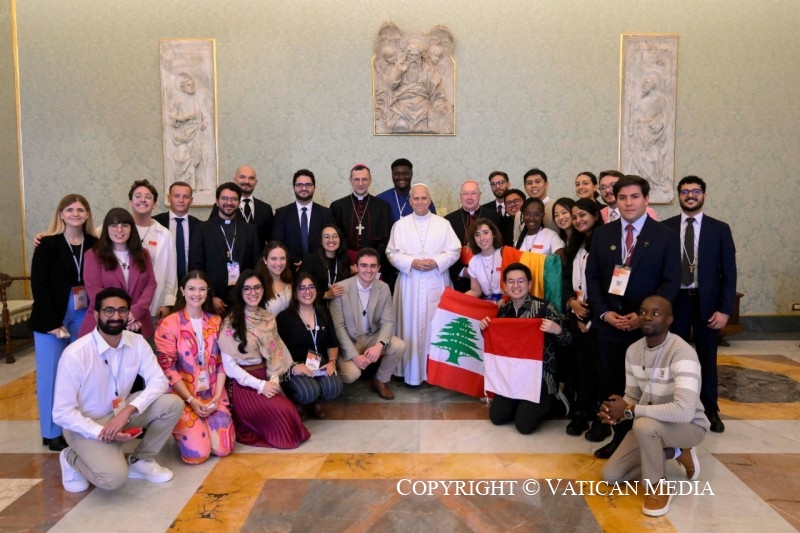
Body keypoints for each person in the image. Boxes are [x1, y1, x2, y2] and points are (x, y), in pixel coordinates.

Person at [585, 175, 680, 459]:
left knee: (647, 386)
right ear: (615, 200)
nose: (629, 203)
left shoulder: (664, 235)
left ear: (646, 199)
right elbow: (592, 278)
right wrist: (604, 312)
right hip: (610, 326)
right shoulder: (603, 234)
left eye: (635, 197)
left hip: (647, 330)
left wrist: (644, 318)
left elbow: (671, 281)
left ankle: (652, 441)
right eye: (623, 197)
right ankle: (620, 440)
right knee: (613, 382)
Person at [53, 287, 184, 492]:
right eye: (109, 311)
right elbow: (61, 413)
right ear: (97, 315)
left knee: (172, 404)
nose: (116, 316)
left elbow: (159, 381)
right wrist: (102, 432)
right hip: (85, 426)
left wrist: (126, 413)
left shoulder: (137, 342)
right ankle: (70, 457)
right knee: (113, 479)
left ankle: (142, 460)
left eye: (122, 310)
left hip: (120, 414)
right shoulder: (75, 355)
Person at [600, 295, 708, 517]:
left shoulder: (682, 352)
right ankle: (676, 452)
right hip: (649, 424)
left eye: (656, 313)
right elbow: (632, 394)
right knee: (611, 475)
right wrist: (615, 411)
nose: (647, 317)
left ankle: (658, 486)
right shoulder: (633, 351)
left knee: (643, 426)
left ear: (669, 320)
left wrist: (631, 410)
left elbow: (684, 410)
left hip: (689, 426)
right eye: (643, 312)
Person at [664, 176, 737, 433]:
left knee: (707, 357)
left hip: (708, 303)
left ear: (704, 195)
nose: (690, 195)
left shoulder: (720, 229)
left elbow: (729, 272)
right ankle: (675, 406)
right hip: (676, 303)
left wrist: (725, 309)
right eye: (685, 192)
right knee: (675, 357)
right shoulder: (666, 227)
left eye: (695, 191)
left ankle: (710, 409)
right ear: (679, 196)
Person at [29, 194, 98, 452]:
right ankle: (51, 431)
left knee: (81, 373)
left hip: (84, 311)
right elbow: (40, 285)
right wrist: (50, 322)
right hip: (52, 315)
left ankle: (78, 426)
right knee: (51, 374)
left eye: (81, 209)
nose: (75, 214)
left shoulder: (95, 243)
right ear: (60, 214)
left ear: (88, 214)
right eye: (69, 209)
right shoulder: (46, 243)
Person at [218, 271, 310, 449]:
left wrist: (273, 382)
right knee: (283, 413)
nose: (253, 293)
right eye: (247, 289)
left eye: (257, 287)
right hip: (243, 384)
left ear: (263, 289)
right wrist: (261, 386)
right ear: (240, 292)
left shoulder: (268, 318)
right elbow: (230, 368)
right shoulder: (231, 322)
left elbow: (275, 355)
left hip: (266, 376)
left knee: (289, 413)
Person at [479, 263, 571, 434]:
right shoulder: (504, 311)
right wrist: (484, 328)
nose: (516, 286)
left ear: (529, 284)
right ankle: (521, 401)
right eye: (511, 282)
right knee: (497, 417)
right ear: (505, 287)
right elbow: (498, 345)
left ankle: (553, 399)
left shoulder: (544, 308)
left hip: (540, 376)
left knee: (524, 425)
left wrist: (557, 330)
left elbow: (568, 340)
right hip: (513, 376)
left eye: (521, 281)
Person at [155, 271, 235, 464]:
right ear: (182, 290)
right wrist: (191, 400)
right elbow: (167, 368)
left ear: (208, 292)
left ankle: (203, 426)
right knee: (197, 455)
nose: (196, 294)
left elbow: (221, 363)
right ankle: (187, 431)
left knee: (224, 449)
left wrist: (216, 397)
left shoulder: (216, 322)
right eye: (191, 288)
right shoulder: (169, 323)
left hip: (212, 393)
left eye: (201, 289)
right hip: (183, 395)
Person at [386, 184, 460, 386]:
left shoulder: (443, 224)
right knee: (409, 326)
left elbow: (455, 251)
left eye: (424, 198)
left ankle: (434, 373)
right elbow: (391, 253)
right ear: (410, 201)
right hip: (409, 282)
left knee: (435, 326)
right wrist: (412, 263)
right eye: (416, 198)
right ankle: (409, 371)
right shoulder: (400, 225)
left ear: (430, 200)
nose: (420, 202)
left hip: (436, 281)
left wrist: (436, 262)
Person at [330, 248, 405, 399]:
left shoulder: (383, 288)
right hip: (350, 340)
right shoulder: (341, 288)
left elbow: (388, 321)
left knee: (399, 346)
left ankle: (380, 380)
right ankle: (333, 379)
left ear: (378, 268)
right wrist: (353, 355)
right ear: (356, 267)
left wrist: (379, 345)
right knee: (351, 374)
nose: (368, 270)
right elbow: (338, 327)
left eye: (372, 266)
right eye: (364, 265)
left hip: (371, 337)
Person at [563, 199, 607, 439]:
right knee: (581, 368)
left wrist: (588, 317)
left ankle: (602, 419)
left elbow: (606, 284)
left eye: (583, 215)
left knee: (600, 369)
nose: (579, 220)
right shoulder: (575, 243)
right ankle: (582, 412)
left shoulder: (605, 241)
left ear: (595, 215)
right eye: (575, 217)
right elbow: (569, 279)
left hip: (598, 317)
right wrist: (571, 303)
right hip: (576, 312)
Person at [79, 208, 157, 339]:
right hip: (105, 323)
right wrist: (123, 315)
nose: (119, 230)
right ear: (106, 229)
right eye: (114, 225)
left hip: (138, 322)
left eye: (125, 225)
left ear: (131, 228)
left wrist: (135, 312)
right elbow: (95, 291)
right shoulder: (93, 255)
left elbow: (151, 284)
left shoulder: (143, 254)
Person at [276, 274, 343, 419]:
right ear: (295, 293)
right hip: (294, 366)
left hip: (319, 362)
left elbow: (332, 342)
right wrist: (294, 367)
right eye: (302, 288)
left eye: (311, 287)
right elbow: (278, 350)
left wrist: (332, 361)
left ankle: (314, 402)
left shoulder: (323, 312)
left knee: (334, 388)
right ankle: (298, 402)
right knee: (308, 392)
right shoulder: (284, 317)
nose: (308, 292)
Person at [189, 182, 260, 314]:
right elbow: (196, 266)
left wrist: (250, 294)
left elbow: (256, 265)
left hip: (243, 298)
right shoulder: (202, 229)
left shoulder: (250, 230)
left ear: (239, 203)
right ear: (217, 201)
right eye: (224, 198)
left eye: (233, 199)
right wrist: (210, 297)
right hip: (213, 299)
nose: (229, 203)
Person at [128, 179, 177, 320]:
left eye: (148, 197)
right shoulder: (118, 229)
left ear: (154, 204)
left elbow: (170, 271)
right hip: (124, 305)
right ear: (130, 202)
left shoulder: (164, 234)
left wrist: (168, 303)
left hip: (154, 304)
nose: (143, 200)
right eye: (137, 196)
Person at [444, 180, 502, 292]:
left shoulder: (495, 218)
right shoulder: (448, 220)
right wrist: (462, 271)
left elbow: (500, 247)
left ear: (480, 195)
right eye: (465, 194)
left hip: (490, 276)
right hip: (460, 279)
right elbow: (445, 251)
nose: (469, 197)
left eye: (473, 193)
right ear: (460, 196)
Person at [330, 164, 392, 268]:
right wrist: (345, 262)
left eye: (364, 179)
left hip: (374, 264)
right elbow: (333, 239)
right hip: (345, 263)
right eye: (356, 179)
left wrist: (372, 262)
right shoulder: (337, 206)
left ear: (370, 181)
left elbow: (386, 239)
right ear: (350, 181)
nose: (360, 183)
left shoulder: (382, 207)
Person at [272, 169, 336, 269]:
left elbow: (330, 242)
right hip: (290, 268)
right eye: (299, 185)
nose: (304, 188)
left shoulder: (326, 213)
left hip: (319, 267)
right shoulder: (282, 213)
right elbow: (278, 242)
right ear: (294, 188)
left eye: (308, 184)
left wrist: (310, 262)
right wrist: (295, 261)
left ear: (314, 187)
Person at [386, 41, 451, 134]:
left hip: (423, 107)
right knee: (399, 126)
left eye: (416, 56)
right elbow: (390, 84)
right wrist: (399, 72)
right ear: (406, 56)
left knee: (426, 126)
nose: (414, 59)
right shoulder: (400, 66)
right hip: (401, 107)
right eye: (411, 56)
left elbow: (436, 86)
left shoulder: (427, 69)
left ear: (421, 57)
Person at [209, 165, 273, 252]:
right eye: (242, 177)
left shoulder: (265, 208)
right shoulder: (221, 207)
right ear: (235, 179)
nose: (247, 181)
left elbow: (271, 240)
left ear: (256, 182)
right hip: (230, 258)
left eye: (251, 178)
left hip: (258, 261)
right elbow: (212, 234)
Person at [154, 181, 200, 281]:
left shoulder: (200, 226)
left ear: (191, 200)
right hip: (161, 281)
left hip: (191, 283)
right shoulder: (155, 223)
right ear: (169, 198)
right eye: (176, 196)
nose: (181, 200)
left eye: (186, 197)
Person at [169, 73, 208, 190]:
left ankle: (195, 186)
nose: (192, 87)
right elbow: (172, 119)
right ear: (183, 87)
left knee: (197, 159)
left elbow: (204, 116)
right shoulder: (178, 100)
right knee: (181, 158)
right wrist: (184, 118)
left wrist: (203, 124)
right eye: (189, 85)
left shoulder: (198, 100)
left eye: (192, 85)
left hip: (196, 132)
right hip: (183, 134)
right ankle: (179, 187)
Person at [376, 158, 437, 223]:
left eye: (405, 173)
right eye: (396, 174)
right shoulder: (381, 199)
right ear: (392, 175)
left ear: (411, 174)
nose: (401, 177)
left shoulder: (422, 199)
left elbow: (433, 223)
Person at [302, 224, 351, 301]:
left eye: (335, 236)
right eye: (326, 236)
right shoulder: (310, 260)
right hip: (315, 304)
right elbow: (303, 288)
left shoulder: (344, 259)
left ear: (340, 240)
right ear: (321, 241)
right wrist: (327, 295)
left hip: (338, 303)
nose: (331, 240)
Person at [464, 219, 505, 302]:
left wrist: (505, 299)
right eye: (477, 235)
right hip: (488, 305)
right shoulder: (473, 262)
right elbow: (476, 291)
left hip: (507, 302)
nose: (482, 238)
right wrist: (457, 298)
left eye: (485, 233)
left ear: (493, 234)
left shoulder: (504, 254)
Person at [256, 241, 294, 315]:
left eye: (282, 258)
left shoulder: (290, 282)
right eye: (274, 259)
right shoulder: (258, 286)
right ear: (265, 260)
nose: (278, 263)